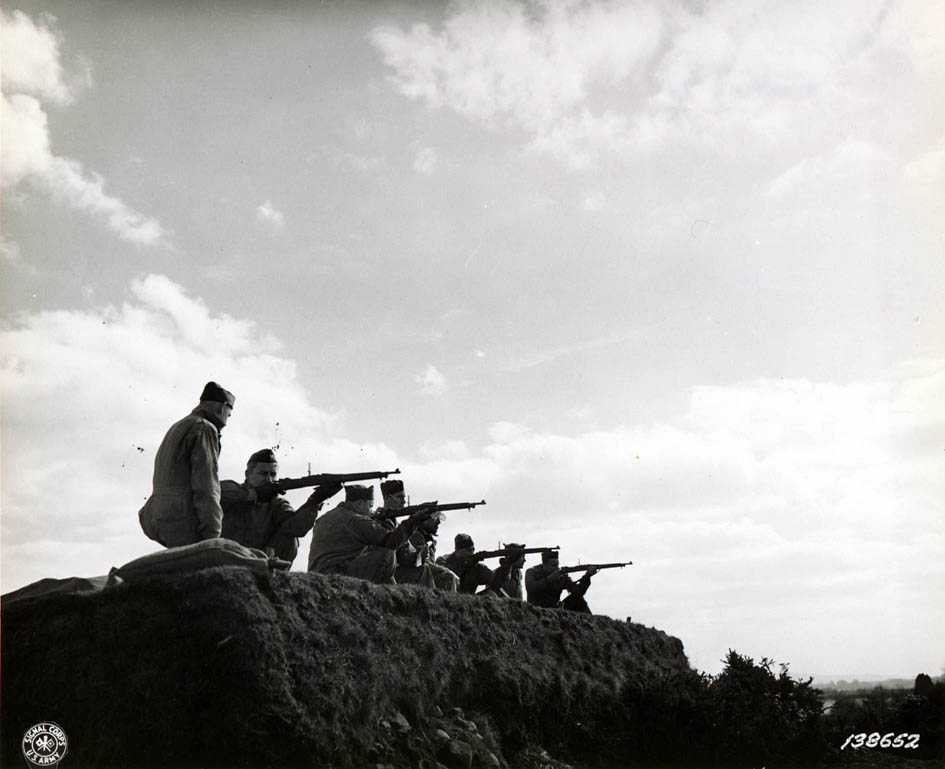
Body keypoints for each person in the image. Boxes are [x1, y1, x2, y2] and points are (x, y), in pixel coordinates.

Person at [139, 381, 234, 548]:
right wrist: (213, 532)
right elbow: (206, 484)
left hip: (156, 513)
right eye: (229, 414)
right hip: (181, 515)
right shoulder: (205, 428)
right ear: (222, 408)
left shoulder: (179, 425)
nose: (227, 419)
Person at [220, 449, 342, 565]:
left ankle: (276, 577)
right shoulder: (231, 492)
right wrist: (254, 495)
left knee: (289, 537)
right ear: (248, 474)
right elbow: (213, 492)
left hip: (259, 562)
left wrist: (315, 500)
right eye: (263, 474)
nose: (269, 479)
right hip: (226, 559)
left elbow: (296, 528)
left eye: (273, 474)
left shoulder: (276, 504)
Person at [308, 484, 435, 584]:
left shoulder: (325, 518)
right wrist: (414, 521)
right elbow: (392, 542)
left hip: (317, 574)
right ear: (359, 504)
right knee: (386, 553)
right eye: (370, 506)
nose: (371, 511)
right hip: (338, 574)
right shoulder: (357, 520)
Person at [378, 479, 458, 592]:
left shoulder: (394, 524)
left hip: (393, 572)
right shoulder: (378, 521)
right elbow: (391, 545)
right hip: (382, 572)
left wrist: (418, 555)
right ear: (387, 498)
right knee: (424, 570)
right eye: (400, 497)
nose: (404, 502)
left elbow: (405, 554)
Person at [436, 533, 515, 596]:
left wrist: (507, 565)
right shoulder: (443, 560)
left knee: (490, 594)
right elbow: (444, 573)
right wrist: (466, 562)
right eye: (468, 550)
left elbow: (496, 583)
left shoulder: (476, 567)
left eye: (473, 550)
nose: (472, 553)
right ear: (458, 551)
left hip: (467, 602)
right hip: (445, 598)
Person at [525, 550, 598, 612]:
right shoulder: (532, 571)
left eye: (557, 565)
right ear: (544, 564)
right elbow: (530, 587)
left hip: (555, 608)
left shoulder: (562, 576)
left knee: (578, 599)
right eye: (553, 566)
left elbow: (577, 592)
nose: (556, 568)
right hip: (535, 608)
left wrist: (587, 576)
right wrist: (549, 579)